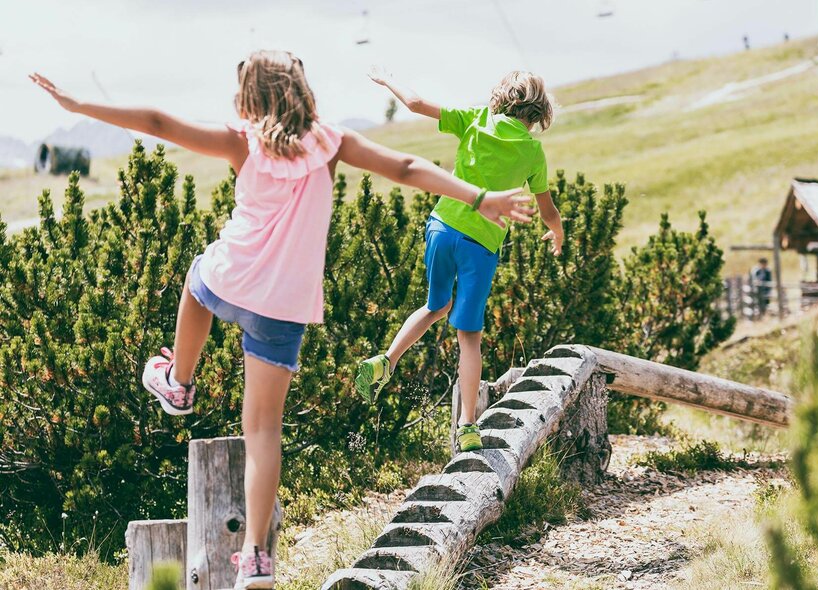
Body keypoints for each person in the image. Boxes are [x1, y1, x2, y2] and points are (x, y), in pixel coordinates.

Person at [30, 52, 534, 590]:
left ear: (250, 95)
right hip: (284, 307)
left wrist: (76, 102)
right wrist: (481, 198)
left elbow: (157, 123)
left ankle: (179, 382)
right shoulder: (332, 143)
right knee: (264, 431)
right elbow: (407, 168)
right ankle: (255, 560)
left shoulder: (241, 140)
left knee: (196, 280)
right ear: (301, 91)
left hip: (232, 279)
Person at [358, 68, 564, 453]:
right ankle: (467, 423)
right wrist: (559, 231)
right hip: (479, 245)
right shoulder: (533, 151)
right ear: (538, 112)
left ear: (503, 97)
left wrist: (389, 80)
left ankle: (386, 360)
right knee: (469, 337)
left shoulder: (475, 118)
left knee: (436, 304)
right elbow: (546, 207)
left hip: (441, 227)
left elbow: (416, 104)